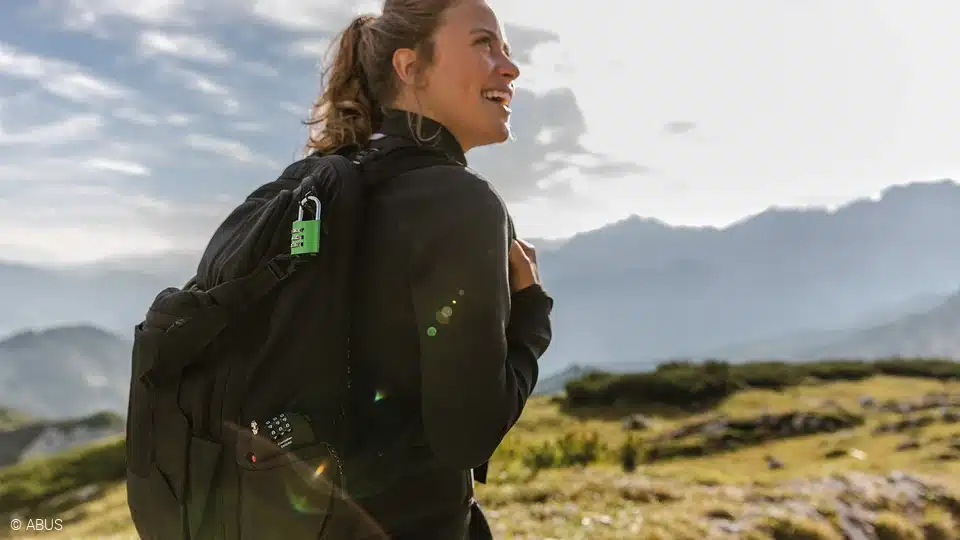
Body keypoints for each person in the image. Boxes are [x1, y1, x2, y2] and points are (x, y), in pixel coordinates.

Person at [303, 0, 554, 538]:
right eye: (484, 44)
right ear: (411, 67)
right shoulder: (459, 203)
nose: (510, 67)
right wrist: (531, 314)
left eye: (507, 49)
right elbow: (467, 435)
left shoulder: (330, 184)